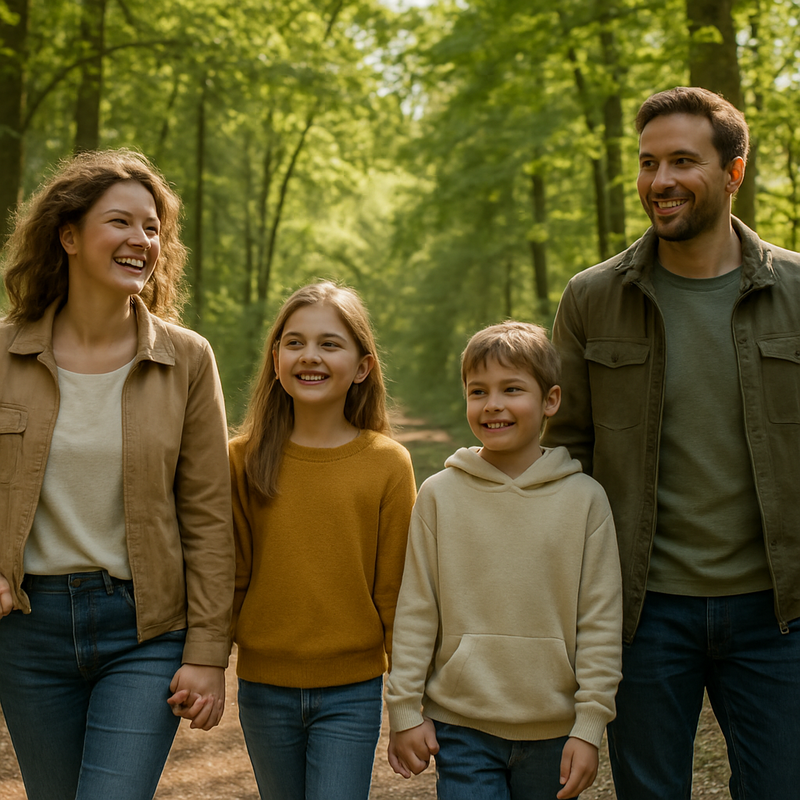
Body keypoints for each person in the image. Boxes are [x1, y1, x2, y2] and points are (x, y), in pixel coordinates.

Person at [542, 86, 800, 800]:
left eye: (683, 160)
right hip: (642, 611)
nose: (660, 182)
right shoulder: (592, 297)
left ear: (733, 172)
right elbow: (566, 455)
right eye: (648, 163)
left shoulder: (798, 291)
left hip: (779, 613)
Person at [0, 149, 234, 800]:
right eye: (121, 223)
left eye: (153, 228)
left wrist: (208, 652)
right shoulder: (2, 351)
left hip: (144, 628)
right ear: (68, 236)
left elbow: (210, 515)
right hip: (26, 631)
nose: (142, 241)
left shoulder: (186, 360)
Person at [386, 321, 622, 800]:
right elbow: (416, 610)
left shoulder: (585, 500)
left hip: (554, 731)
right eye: (479, 391)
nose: (493, 404)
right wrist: (405, 710)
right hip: (462, 727)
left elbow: (600, 620)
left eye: (512, 389)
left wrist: (589, 724)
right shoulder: (439, 496)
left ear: (550, 400)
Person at [229, 281, 416, 800]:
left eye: (329, 343)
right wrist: (204, 662)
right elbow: (231, 576)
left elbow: (397, 596)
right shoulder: (241, 460)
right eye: (295, 342)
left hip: (351, 691)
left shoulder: (387, 464)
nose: (309, 356)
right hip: (263, 688)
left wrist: (407, 707)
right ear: (275, 358)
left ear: (362, 367)